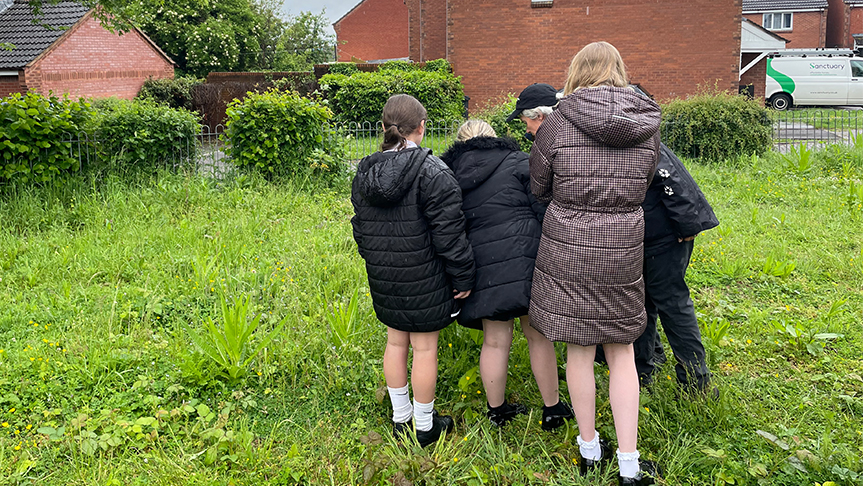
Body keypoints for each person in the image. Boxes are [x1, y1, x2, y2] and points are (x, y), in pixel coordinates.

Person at [528, 42, 660, 486]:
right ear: (619, 69)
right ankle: (629, 467)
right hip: (622, 246)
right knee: (621, 352)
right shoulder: (647, 121)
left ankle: (588, 450)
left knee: (579, 350)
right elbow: (645, 181)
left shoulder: (558, 121)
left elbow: (539, 184)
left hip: (568, 245)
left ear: (576, 72)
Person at [350, 94, 476, 448]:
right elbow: (451, 236)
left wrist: (374, 260)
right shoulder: (434, 173)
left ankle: (400, 418)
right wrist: (463, 277)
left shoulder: (365, 172)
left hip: (384, 273)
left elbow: (359, 227)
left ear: (385, 127)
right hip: (426, 276)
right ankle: (424, 427)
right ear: (422, 127)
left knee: (395, 340)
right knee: (424, 349)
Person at [439, 120, 574, 430]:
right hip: (526, 260)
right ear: (494, 138)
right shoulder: (517, 161)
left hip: (483, 266)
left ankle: (497, 411)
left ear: (460, 143)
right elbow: (543, 209)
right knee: (538, 337)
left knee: (495, 341)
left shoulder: (449, 175)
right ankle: (552, 409)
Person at [633, 143, 719, 390]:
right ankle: (643, 370)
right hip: (642, 234)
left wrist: (687, 224)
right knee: (641, 302)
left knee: (672, 302)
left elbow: (673, 177)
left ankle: (695, 381)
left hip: (667, 234)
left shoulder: (634, 133)